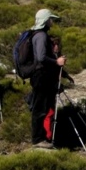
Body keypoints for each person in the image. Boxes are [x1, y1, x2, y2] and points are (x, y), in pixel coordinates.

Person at [29, 9, 65, 147]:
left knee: (43, 107)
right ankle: (38, 139)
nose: (52, 22)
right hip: (41, 76)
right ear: (46, 20)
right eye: (51, 19)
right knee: (40, 108)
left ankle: (43, 137)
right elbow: (41, 57)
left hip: (40, 76)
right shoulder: (41, 36)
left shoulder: (38, 35)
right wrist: (56, 62)